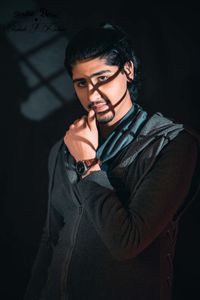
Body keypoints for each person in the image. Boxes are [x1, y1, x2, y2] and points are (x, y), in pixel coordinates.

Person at [24, 23, 200, 300]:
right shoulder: (63, 148)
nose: (93, 95)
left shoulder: (173, 143)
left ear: (127, 70)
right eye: (81, 83)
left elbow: (127, 243)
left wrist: (88, 162)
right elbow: (52, 237)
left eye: (102, 78)